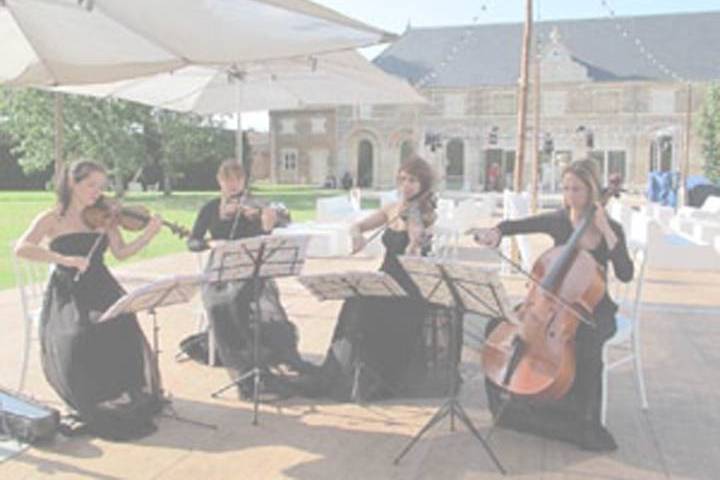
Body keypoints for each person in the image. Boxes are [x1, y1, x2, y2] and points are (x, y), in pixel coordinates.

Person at [473, 159, 633, 452]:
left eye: (578, 189)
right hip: (548, 305)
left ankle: (582, 423)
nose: (570, 196)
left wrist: (606, 232)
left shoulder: (611, 228)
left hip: (594, 309)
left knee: (586, 345)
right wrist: (496, 231)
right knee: (497, 326)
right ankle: (511, 410)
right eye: (566, 188)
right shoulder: (559, 220)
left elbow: (625, 273)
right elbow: (517, 225)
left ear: (593, 191)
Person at [14, 160, 164, 441]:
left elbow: (121, 252)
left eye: (101, 186)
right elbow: (22, 247)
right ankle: (92, 396)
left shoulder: (105, 216)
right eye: (91, 185)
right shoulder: (52, 218)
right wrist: (63, 259)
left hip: (102, 285)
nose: (98, 192)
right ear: (73, 182)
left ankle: (117, 391)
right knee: (79, 334)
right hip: (67, 291)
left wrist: (149, 233)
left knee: (121, 321)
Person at [302, 156, 454, 401]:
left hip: (408, 287)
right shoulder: (393, 208)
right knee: (353, 302)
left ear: (423, 185)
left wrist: (415, 243)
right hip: (386, 277)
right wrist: (356, 235)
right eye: (403, 179)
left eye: (413, 181)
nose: (406, 185)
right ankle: (350, 373)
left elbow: (416, 237)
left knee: (363, 307)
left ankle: (373, 375)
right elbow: (358, 226)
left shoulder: (423, 212)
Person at [186, 160, 313, 398]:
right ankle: (245, 366)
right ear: (219, 181)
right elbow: (192, 241)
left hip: (253, 270)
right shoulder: (211, 208)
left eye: (238, 179)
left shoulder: (256, 206)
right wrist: (209, 243)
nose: (233, 185)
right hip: (220, 272)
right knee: (221, 302)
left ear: (244, 181)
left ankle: (266, 356)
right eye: (228, 180)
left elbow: (283, 221)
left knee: (243, 299)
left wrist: (268, 224)